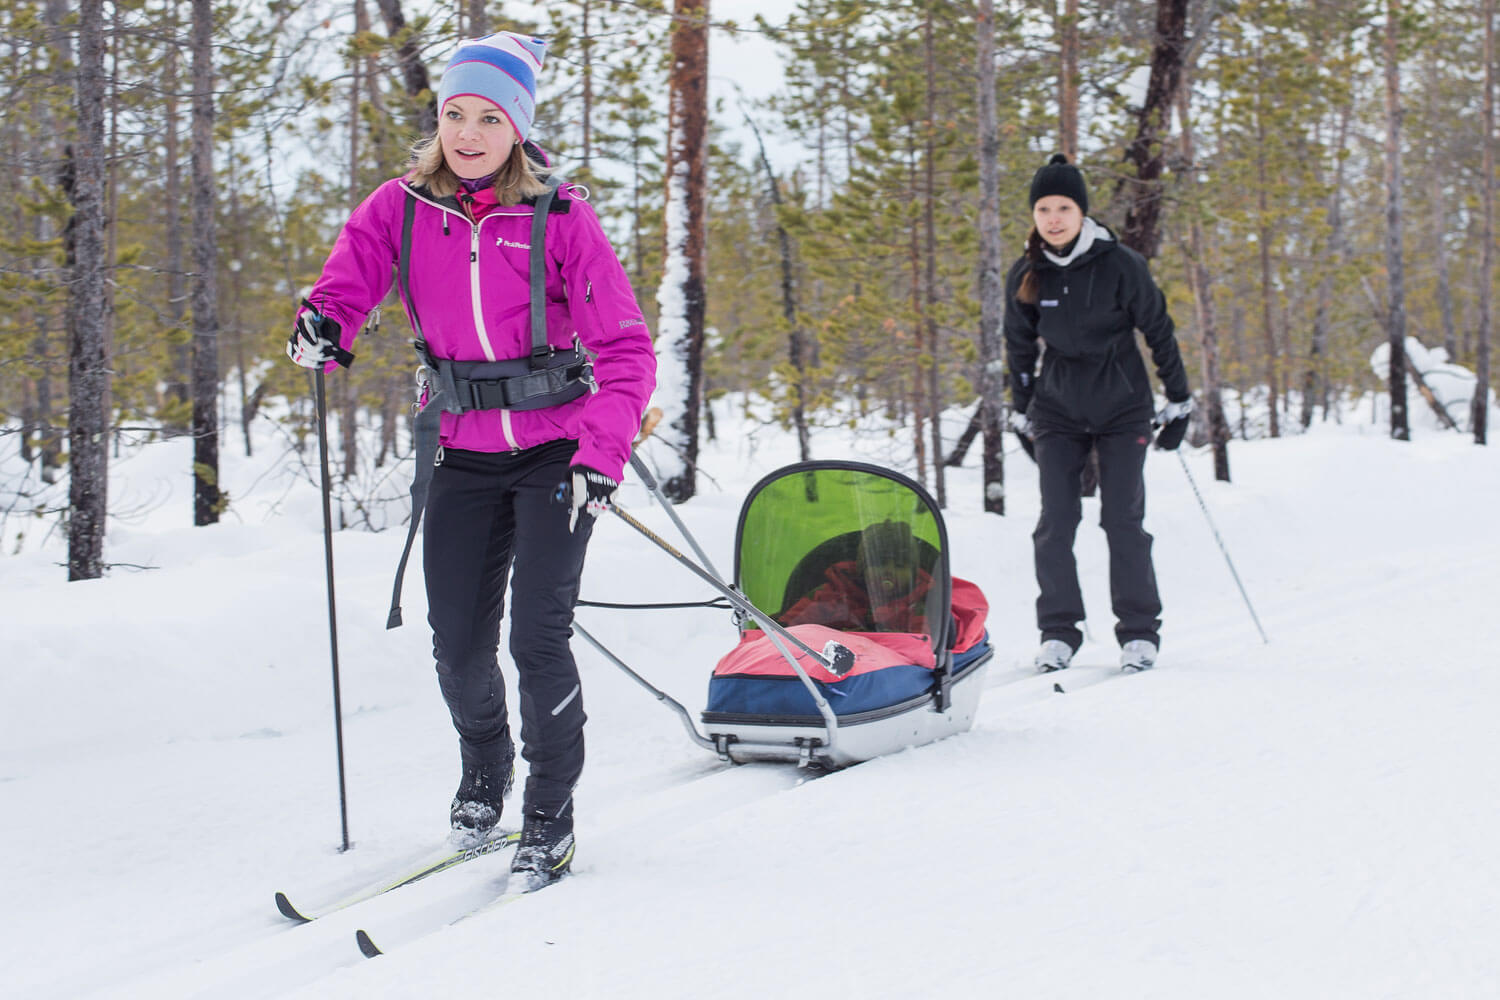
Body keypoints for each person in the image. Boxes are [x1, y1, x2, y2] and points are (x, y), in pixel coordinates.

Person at [285, 31, 656, 890]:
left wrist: (603, 451)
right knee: (456, 642)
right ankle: (486, 771)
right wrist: (323, 326)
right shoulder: (402, 206)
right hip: (460, 445)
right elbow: (348, 283)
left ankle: (549, 816)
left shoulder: (560, 214)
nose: (469, 131)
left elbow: (626, 349)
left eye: (490, 116)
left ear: (518, 129)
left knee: (537, 638)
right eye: (456, 113)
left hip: (557, 451)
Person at [1003, 154, 1192, 674]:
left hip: (1122, 408)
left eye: (1064, 207)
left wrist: (1178, 399)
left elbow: (1158, 329)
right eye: (1044, 208)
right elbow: (1018, 348)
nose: (1054, 217)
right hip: (1058, 411)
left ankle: (1138, 634)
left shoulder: (1119, 264)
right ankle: (1059, 632)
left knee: (1122, 520)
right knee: (1056, 523)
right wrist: (1021, 411)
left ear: (1082, 212)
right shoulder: (1028, 272)